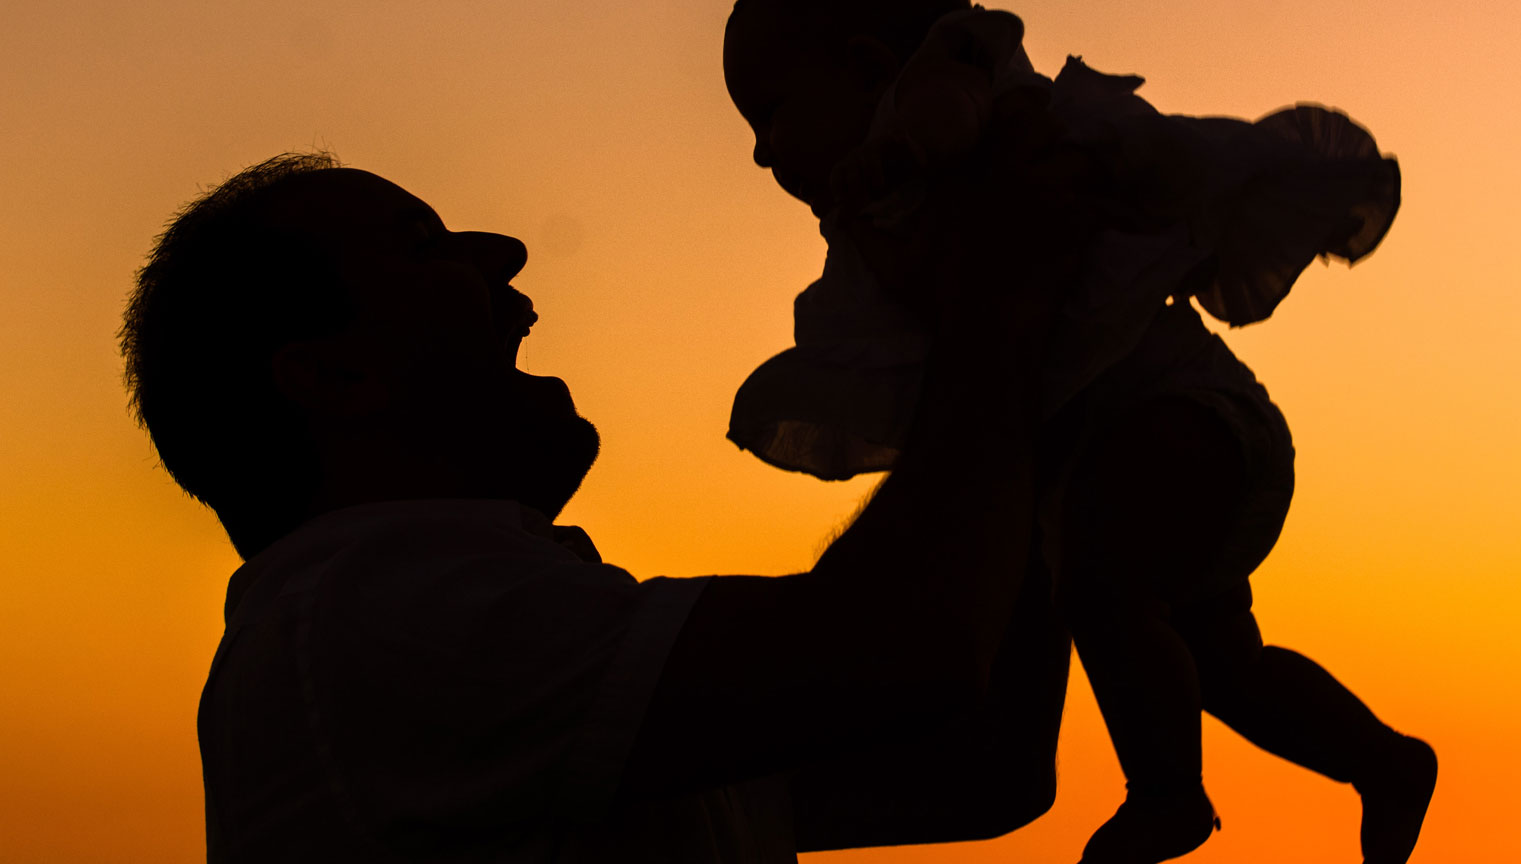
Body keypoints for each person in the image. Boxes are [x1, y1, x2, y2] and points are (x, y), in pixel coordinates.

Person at [119, 151, 1077, 862]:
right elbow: (912, 650)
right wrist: (992, 318)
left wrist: (1028, 399)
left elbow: (978, 765)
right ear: (335, 373)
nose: (503, 252)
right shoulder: (375, 622)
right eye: (423, 247)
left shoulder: (464, 641)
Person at [722, 0, 1437, 863]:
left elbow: (959, 114)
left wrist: (899, 159)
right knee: (1217, 659)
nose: (765, 157)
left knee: (1104, 597)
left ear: (863, 64)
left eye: (771, 115)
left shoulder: (950, 87)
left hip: (1172, 421)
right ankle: (1382, 761)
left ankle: (1168, 795)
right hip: (1134, 457)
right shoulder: (876, 218)